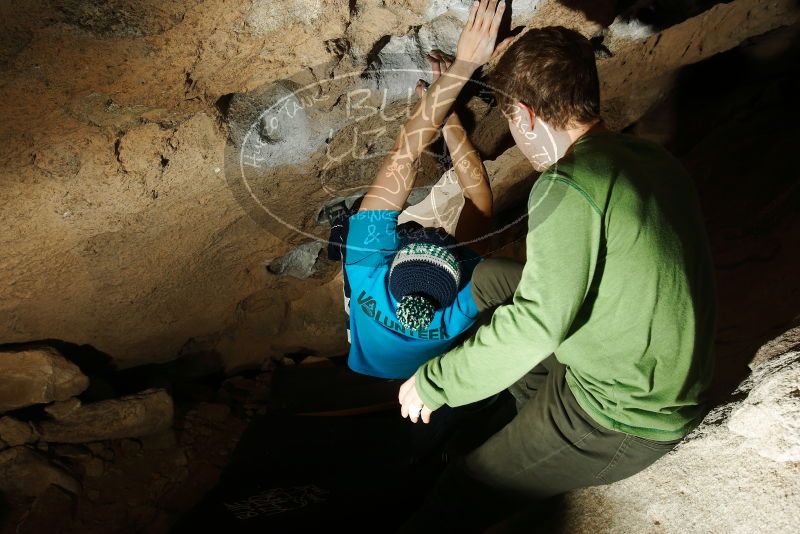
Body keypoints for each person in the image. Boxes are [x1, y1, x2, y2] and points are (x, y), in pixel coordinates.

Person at [397, 2, 717, 530]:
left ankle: (512, 431)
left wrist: (435, 383)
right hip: (650, 361)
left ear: (523, 114)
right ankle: (516, 394)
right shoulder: (651, 159)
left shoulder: (564, 185)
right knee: (490, 276)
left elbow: (539, 320)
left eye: (512, 119)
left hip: (622, 416)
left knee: (463, 488)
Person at [329, 48, 496, 380]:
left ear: (388, 263)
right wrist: (448, 116)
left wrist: (446, 88)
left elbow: (402, 157)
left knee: (359, 227)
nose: (428, 231)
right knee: (454, 201)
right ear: (459, 266)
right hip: (410, 364)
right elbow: (478, 195)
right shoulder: (461, 304)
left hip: (369, 356)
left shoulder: (367, 271)